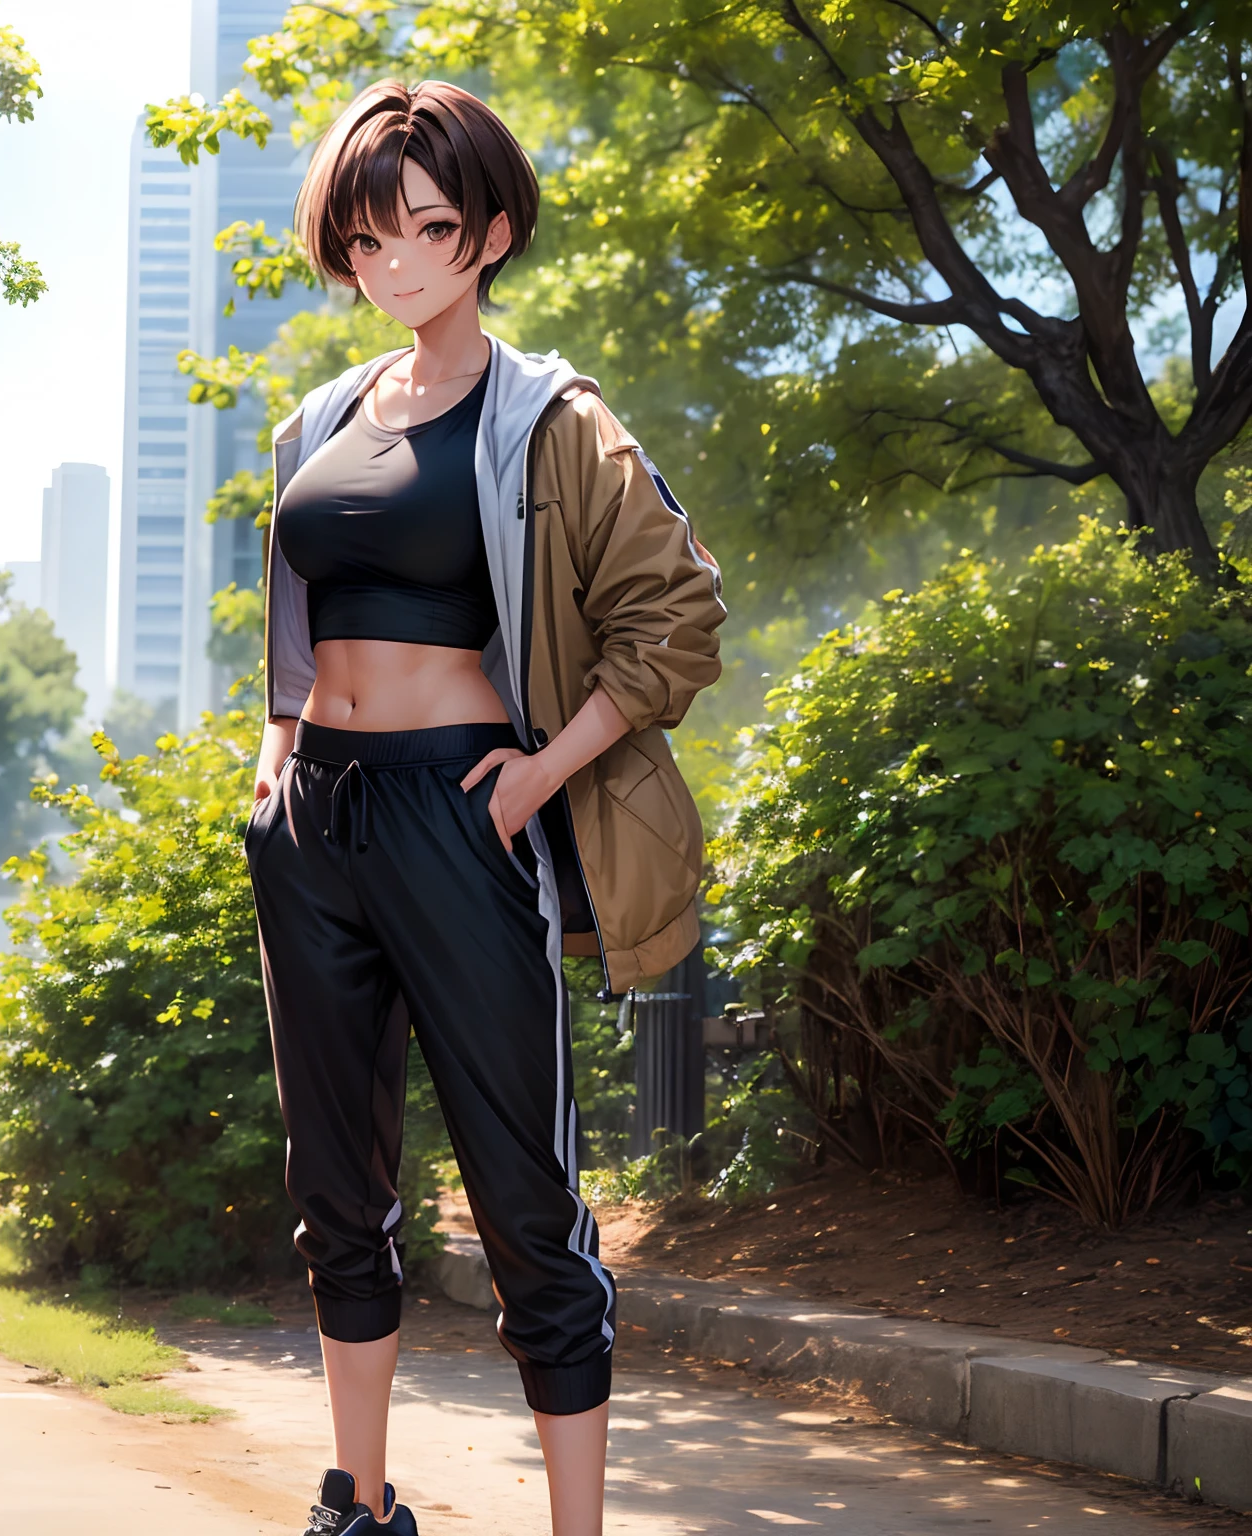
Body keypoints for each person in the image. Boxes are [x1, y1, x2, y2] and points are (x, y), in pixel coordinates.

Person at [243, 77, 726, 1536]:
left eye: (430, 231)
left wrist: (536, 775)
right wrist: (274, 753)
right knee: (338, 1197)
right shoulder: (319, 418)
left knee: (525, 1203)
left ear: (493, 232)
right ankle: (360, 1504)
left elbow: (678, 619)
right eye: (368, 235)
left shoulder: (552, 419)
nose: (394, 264)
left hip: (464, 819)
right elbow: (297, 607)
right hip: (314, 824)